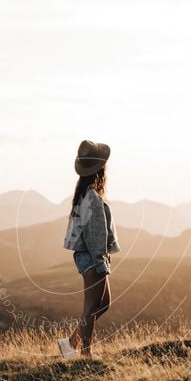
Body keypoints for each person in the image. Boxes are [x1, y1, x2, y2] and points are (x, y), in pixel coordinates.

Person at [57, 140, 120, 359]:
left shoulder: (86, 195)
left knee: (103, 304)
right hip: (94, 258)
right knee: (92, 307)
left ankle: (72, 342)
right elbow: (97, 236)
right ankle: (85, 353)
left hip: (90, 257)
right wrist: (101, 262)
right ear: (100, 169)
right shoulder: (93, 198)